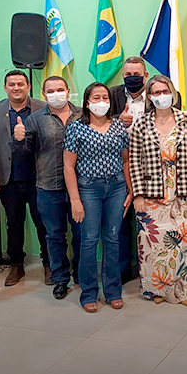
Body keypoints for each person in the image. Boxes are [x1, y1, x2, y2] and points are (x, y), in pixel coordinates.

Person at [63, 82, 132, 313]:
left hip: (116, 188)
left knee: (112, 240)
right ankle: (89, 292)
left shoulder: (119, 127)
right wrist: (75, 199)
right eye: (96, 97)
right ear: (87, 101)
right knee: (90, 241)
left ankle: (113, 291)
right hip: (88, 190)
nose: (101, 101)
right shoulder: (76, 128)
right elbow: (68, 166)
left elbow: (125, 161)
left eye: (105, 97)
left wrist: (130, 190)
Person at [129, 75, 187, 305]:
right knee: (155, 246)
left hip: (182, 191)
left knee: (184, 244)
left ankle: (184, 292)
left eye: (164, 91)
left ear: (173, 93)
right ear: (149, 97)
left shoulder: (186, 121)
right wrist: (138, 194)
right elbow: (135, 161)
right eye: (156, 93)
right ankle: (157, 290)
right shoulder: (141, 123)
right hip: (152, 193)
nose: (161, 96)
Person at [15, 76, 82, 300]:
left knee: (82, 234)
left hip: (82, 187)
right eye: (50, 91)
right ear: (44, 94)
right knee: (54, 235)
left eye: (60, 89)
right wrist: (19, 139)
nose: (56, 94)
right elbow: (27, 152)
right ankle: (60, 278)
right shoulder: (35, 119)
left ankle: (81, 274)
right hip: (48, 186)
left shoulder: (83, 115)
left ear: (69, 90)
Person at [0, 70, 49, 286]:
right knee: (14, 224)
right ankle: (16, 266)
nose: (16, 88)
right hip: (9, 178)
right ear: (5, 88)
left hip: (39, 178)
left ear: (28, 86)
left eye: (20, 84)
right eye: (11, 84)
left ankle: (49, 264)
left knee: (44, 223)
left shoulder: (42, 107)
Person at [109, 56, 149, 284]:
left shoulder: (157, 93)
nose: (132, 78)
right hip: (118, 166)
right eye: (127, 75)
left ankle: (149, 268)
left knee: (148, 220)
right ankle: (124, 269)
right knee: (121, 220)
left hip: (149, 167)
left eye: (136, 74)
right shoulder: (112, 94)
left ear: (145, 75)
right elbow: (95, 120)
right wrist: (117, 120)